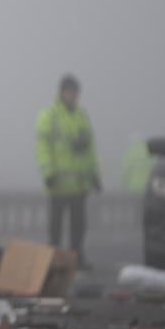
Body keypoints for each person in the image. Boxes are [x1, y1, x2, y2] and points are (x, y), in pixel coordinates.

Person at [36, 74, 100, 265]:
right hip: (58, 183)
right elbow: (43, 147)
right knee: (55, 225)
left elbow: (91, 149)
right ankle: (53, 257)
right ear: (62, 92)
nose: (73, 96)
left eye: (75, 92)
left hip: (79, 183)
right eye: (69, 92)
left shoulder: (82, 116)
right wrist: (48, 173)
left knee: (78, 224)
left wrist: (95, 174)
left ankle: (76, 256)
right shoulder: (50, 116)